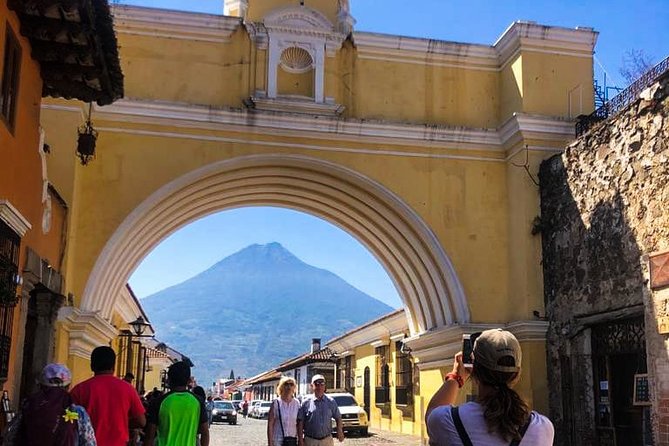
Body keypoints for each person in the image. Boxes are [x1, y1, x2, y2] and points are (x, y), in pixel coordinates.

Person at [426, 329, 554, 445]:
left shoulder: (448, 421)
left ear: (475, 369)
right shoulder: (541, 427)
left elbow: (432, 412)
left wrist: (456, 378)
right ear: (517, 373)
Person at [70, 346, 146, 446]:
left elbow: (69, 420)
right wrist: (123, 423)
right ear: (113, 366)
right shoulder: (128, 389)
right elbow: (141, 422)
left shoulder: (79, 390)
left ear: (92, 366)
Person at [7, 363, 96, 446]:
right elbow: (89, 443)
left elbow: (10, 437)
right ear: (68, 387)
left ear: (41, 386)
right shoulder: (77, 412)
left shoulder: (28, 405)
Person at [144, 361, 210, 446]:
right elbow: (205, 432)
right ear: (189, 381)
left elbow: (150, 435)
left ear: (169, 380)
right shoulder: (197, 402)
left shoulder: (158, 402)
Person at [297, 374, 344, 446]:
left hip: (327, 440)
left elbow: (338, 417)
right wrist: (300, 440)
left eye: (322, 384)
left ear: (325, 386)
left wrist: (339, 431)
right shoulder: (305, 403)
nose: (319, 387)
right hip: (310, 441)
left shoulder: (331, 401)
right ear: (312, 386)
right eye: (317, 384)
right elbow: (300, 422)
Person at [268, 376, 300, 446]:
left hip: (292, 440)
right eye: (286, 384)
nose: (289, 386)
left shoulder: (297, 403)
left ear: (294, 387)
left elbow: (298, 423)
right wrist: (270, 443)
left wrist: (300, 439)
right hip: (278, 441)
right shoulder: (276, 403)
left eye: (291, 384)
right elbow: (270, 425)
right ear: (281, 386)